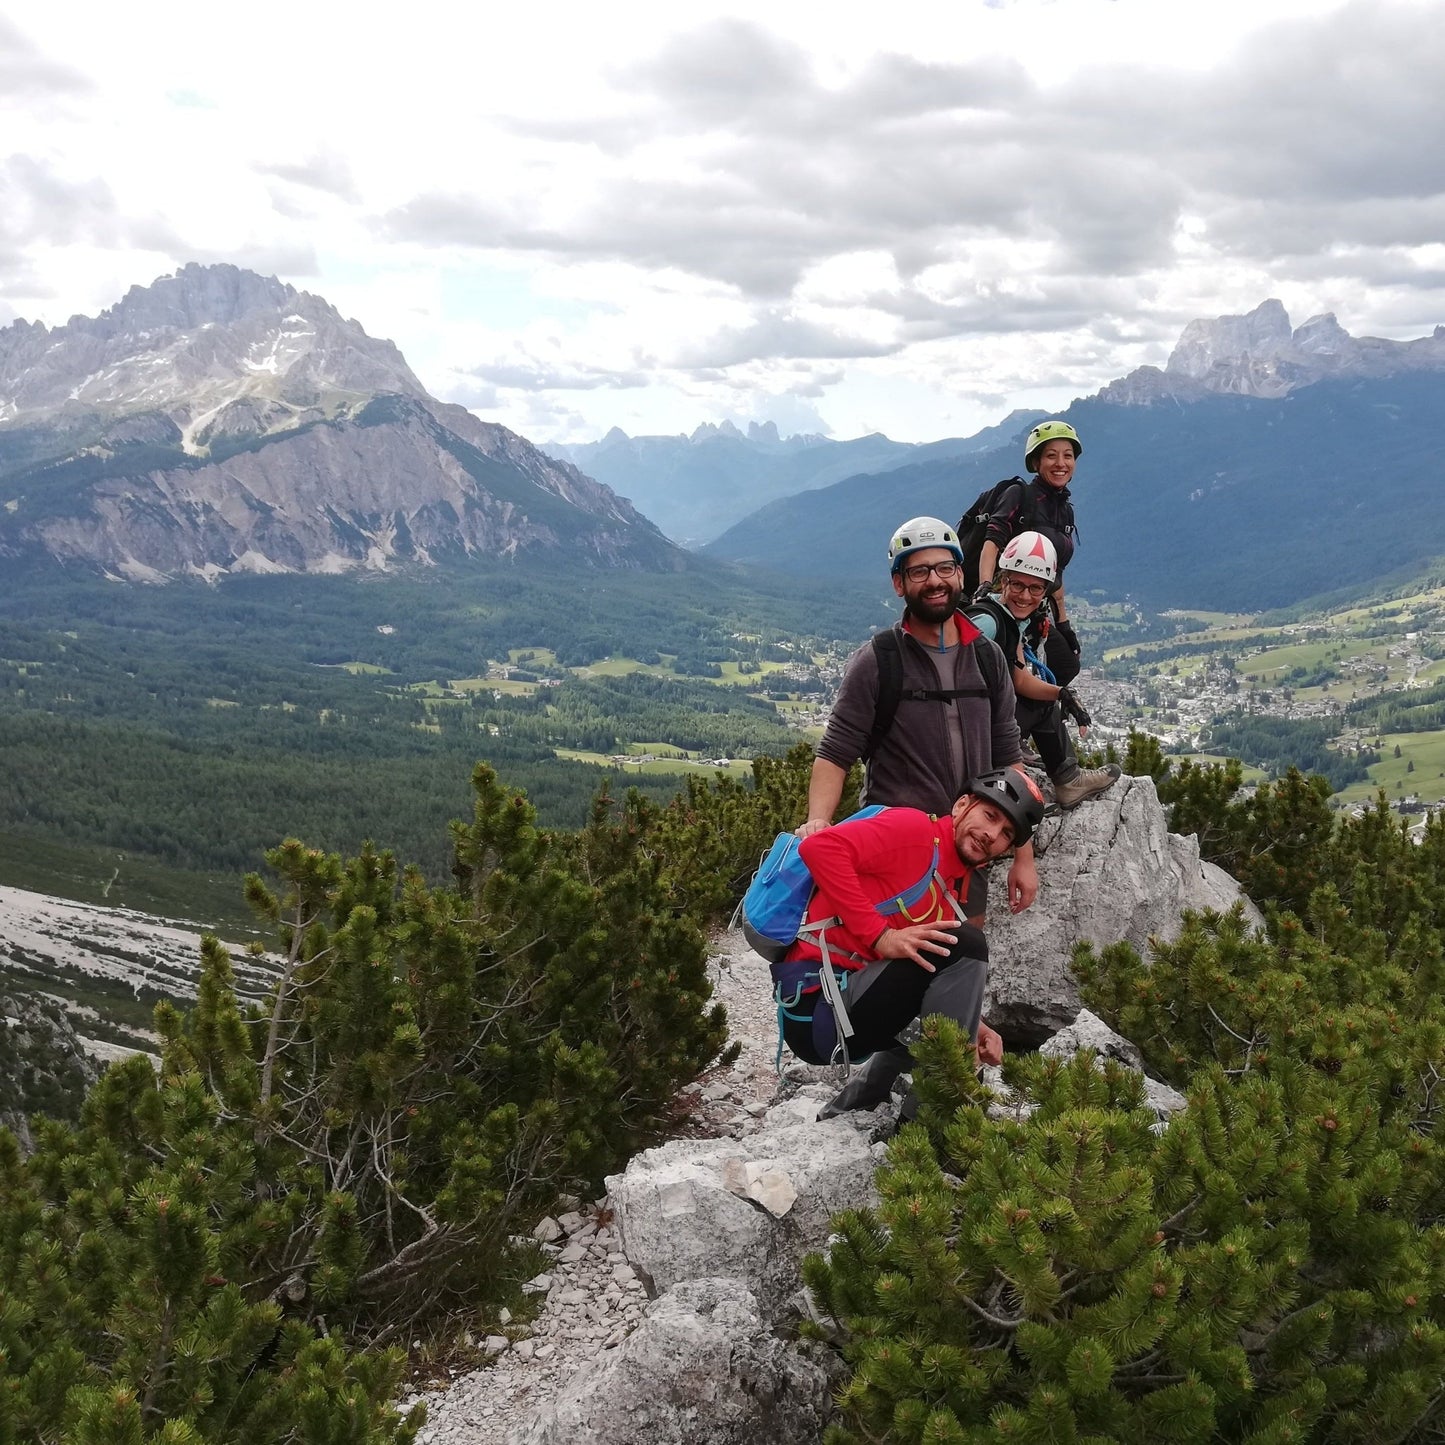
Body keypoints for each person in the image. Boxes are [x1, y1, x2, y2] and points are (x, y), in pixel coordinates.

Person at [799, 516, 1036, 927]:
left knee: (960, 965)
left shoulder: (987, 658)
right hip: (894, 853)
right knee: (888, 973)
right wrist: (819, 821)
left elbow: (1009, 760)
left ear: (960, 574)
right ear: (899, 583)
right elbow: (836, 753)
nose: (935, 581)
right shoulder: (879, 660)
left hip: (966, 855)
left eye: (945, 568)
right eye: (919, 571)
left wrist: (1024, 856)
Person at [776, 768, 1046, 1117]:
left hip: (841, 1013)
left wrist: (975, 1027)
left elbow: (921, 977)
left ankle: (856, 1102)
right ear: (962, 804)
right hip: (817, 1014)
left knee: (947, 957)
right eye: (989, 815)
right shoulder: (914, 830)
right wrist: (880, 935)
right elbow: (820, 847)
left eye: (1006, 833)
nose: (991, 834)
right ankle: (929, 1125)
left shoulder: (950, 882)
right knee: (966, 944)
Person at [966, 531, 1120, 809]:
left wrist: (1062, 694)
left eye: (1036, 588)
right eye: (1017, 585)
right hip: (969, 731)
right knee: (1040, 705)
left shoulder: (1008, 620)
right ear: (1003, 581)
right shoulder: (988, 623)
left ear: (1046, 591)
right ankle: (1068, 781)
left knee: (1045, 701)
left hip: (980, 724)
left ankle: (1067, 779)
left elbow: (1019, 679)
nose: (1025, 596)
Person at [976, 420, 1084, 687]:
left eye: (1068, 456)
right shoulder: (1020, 496)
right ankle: (1011, 724)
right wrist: (985, 586)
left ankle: (1028, 718)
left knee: (1066, 665)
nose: (1061, 463)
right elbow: (991, 543)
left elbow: (1055, 573)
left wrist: (1063, 623)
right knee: (1007, 678)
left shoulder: (1065, 509)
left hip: (1035, 606)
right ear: (1036, 462)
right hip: (1008, 602)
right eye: (1051, 455)